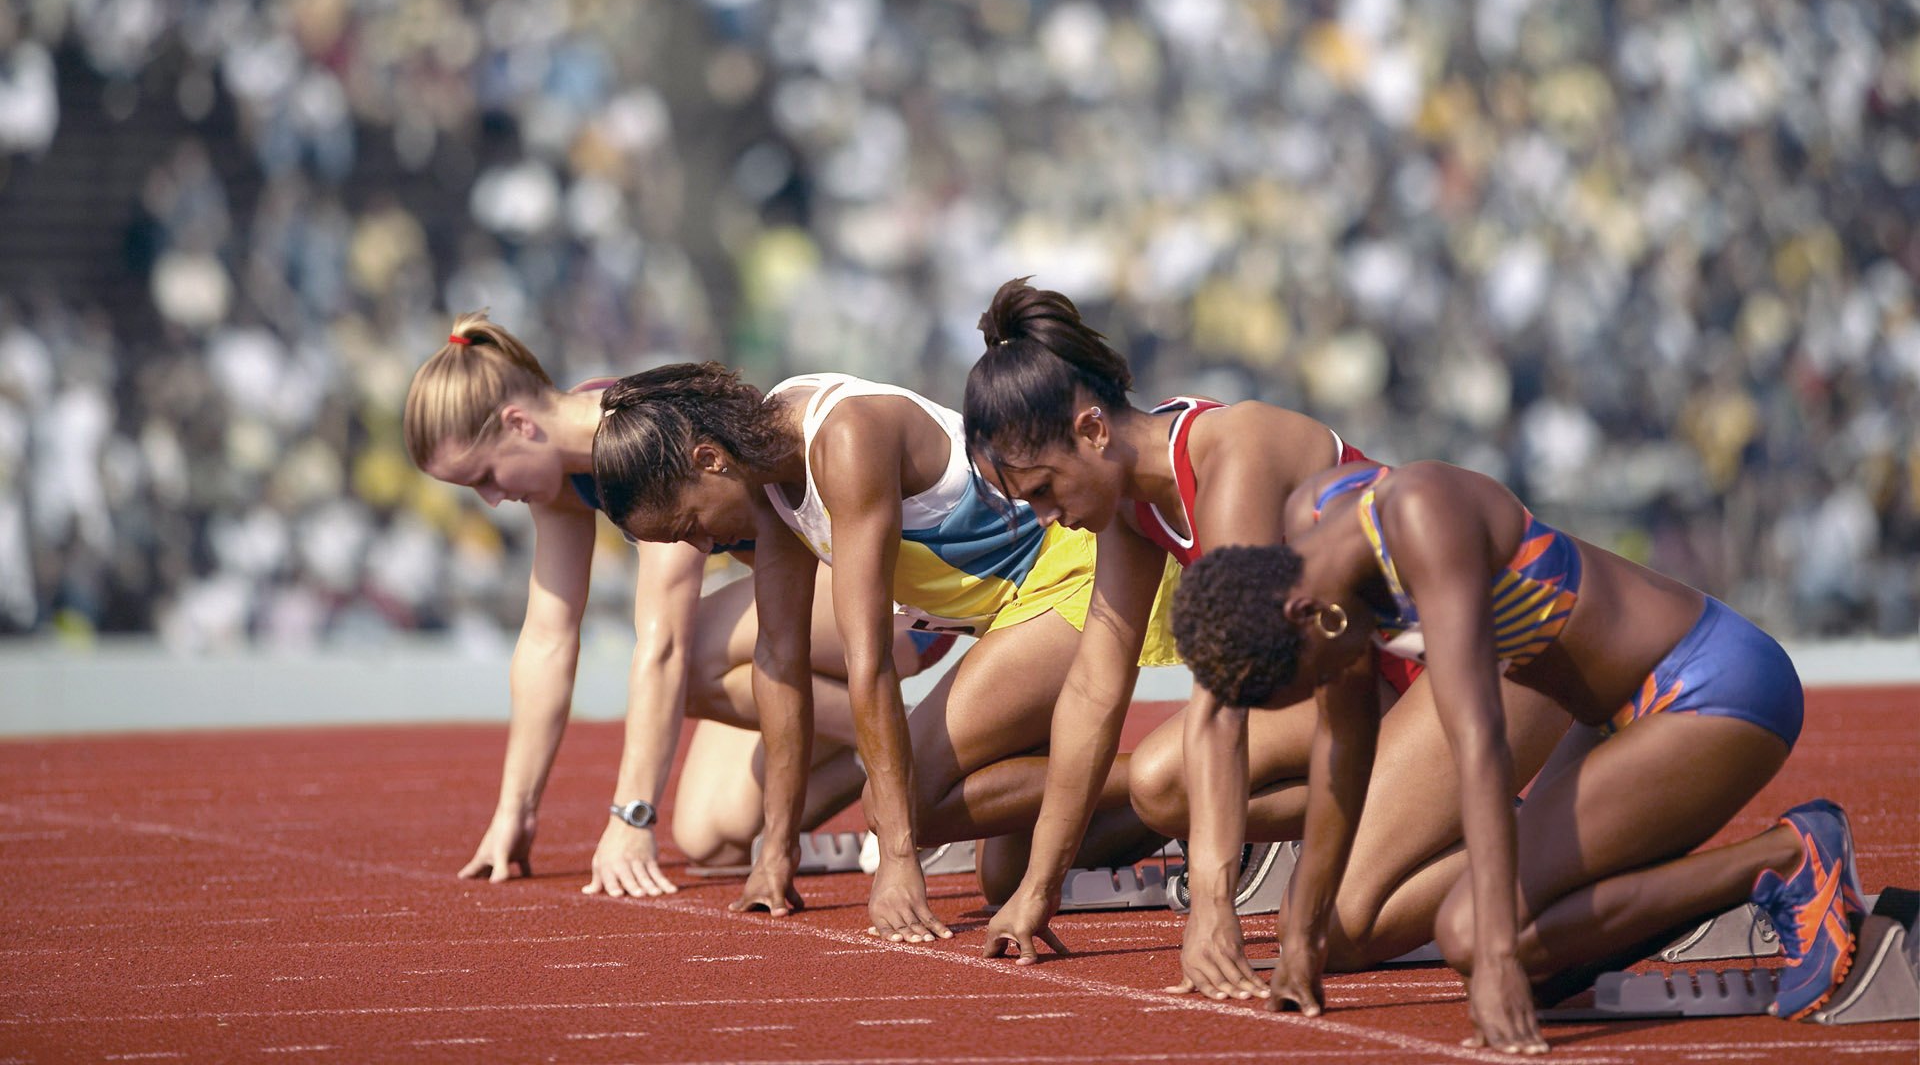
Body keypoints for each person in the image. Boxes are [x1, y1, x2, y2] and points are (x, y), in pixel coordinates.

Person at [960, 277, 1569, 994]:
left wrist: (1211, 904)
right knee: (1160, 785)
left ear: (1093, 431)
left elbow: (1227, 700)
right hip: (1379, 686)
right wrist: (1039, 886)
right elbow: (1094, 688)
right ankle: (1432, 819)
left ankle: (1587, 847)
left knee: (1334, 929)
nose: (1045, 517)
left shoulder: (1232, 455)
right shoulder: (1126, 504)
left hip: (1498, 657)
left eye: (1042, 490)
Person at [1171, 458, 1863, 1050]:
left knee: (1479, 938)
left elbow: (1480, 744)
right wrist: (1302, 942)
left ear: (1303, 614)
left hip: (1710, 688)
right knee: (1538, 967)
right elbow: (1343, 747)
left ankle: (1784, 859)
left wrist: (1498, 954)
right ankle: (1695, 887)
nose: (1327, 686)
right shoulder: (1311, 540)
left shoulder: (1420, 519)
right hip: (1613, 720)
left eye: (1312, 676)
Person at [591, 363, 1183, 944]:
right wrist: (777, 848)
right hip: (1011, 614)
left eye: (688, 523)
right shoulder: (764, 464)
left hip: (1075, 569)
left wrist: (900, 856)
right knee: (1003, 876)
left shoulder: (843, 438)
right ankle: (1193, 796)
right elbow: (779, 656)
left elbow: (868, 659)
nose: (700, 544)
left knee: (906, 806)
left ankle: (1205, 770)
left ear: (708, 460)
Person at [404, 312, 931, 895]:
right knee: (713, 836)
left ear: (519, 424)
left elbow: (665, 644)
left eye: (486, 477)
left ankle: (913, 762)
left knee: (694, 654)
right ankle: (911, 759)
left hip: (890, 599)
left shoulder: (645, 441)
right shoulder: (562, 476)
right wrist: (516, 809)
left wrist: (631, 816)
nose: (494, 499)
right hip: (800, 611)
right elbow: (548, 637)